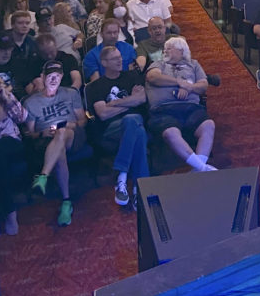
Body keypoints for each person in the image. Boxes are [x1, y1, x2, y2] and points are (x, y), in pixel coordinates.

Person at [24, 61, 87, 227]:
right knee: (59, 152)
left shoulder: (70, 93)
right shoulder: (31, 102)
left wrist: (69, 125)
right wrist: (42, 133)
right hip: (46, 139)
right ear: (43, 77)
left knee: (61, 132)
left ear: (62, 78)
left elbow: (83, 121)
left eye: (57, 76)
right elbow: (30, 134)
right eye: (50, 76)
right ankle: (66, 202)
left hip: (72, 134)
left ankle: (43, 176)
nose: (54, 79)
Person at [85, 46, 149, 208]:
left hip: (133, 123)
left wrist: (114, 104)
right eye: (115, 58)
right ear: (104, 62)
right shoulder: (95, 86)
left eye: (120, 57)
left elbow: (141, 98)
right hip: (110, 130)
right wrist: (130, 101)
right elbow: (103, 114)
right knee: (134, 123)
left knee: (134, 124)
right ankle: (140, 188)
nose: (120, 60)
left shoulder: (132, 76)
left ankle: (122, 176)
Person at [145, 37, 217, 171]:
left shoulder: (194, 64)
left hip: (191, 108)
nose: (165, 51)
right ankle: (202, 168)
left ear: (181, 51)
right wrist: (179, 82)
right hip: (164, 109)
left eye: (169, 48)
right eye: (164, 49)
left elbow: (203, 86)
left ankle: (198, 169)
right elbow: (153, 77)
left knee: (208, 125)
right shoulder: (158, 64)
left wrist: (190, 87)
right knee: (171, 132)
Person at [0, 72, 28, 235]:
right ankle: (8, 213)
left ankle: (7, 214)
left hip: (11, 140)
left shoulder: (6, 97)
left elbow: (22, 117)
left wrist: (5, 96)